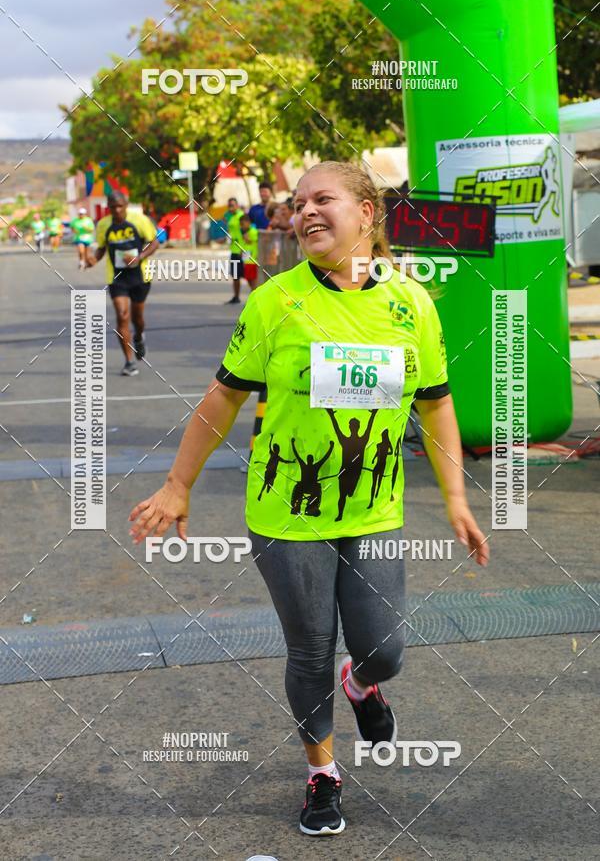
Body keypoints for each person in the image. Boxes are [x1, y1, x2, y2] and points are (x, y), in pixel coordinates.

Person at [128, 160, 489, 837]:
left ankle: (363, 684)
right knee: (310, 650)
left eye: (322, 199)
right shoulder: (275, 301)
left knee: (385, 649)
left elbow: (436, 403)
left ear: (367, 213)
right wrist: (178, 484)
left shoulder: (411, 302)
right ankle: (323, 773)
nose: (305, 213)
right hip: (286, 514)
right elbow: (223, 398)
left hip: (372, 510)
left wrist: (456, 499)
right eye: (298, 204)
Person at [86, 191, 159, 376]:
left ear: (126, 205)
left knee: (137, 319)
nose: (117, 210)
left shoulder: (140, 220)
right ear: (108, 208)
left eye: (120, 206)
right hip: (117, 278)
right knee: (122, 315)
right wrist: (94, 259)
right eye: (113, 207)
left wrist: (139, 257)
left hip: (140, 276)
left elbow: (154, 243)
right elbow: (102, 248)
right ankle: (129, 361)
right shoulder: (103, 225)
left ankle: (139, 337)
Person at [225, 198, 245, 304]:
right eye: (229, 206)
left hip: (242, 250)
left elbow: (246, 231)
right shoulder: (231, 217)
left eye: (232, 205)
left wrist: (244, 248)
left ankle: (256, 296)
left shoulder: (241, 216)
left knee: (249, 276)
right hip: (234, 250)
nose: (230, 208)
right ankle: (236, 297)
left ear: (237, 205)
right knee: (235, 275)